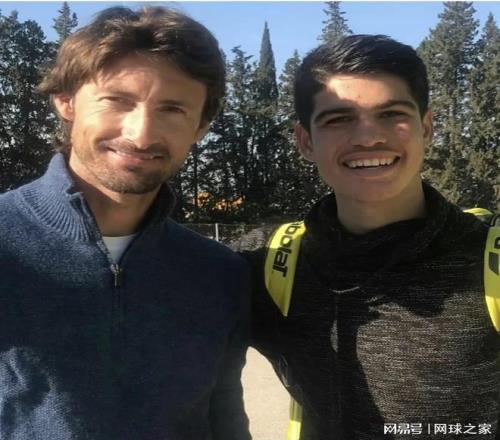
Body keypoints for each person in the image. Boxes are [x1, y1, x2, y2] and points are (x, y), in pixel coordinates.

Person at [0, 6, 251, 440]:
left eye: (172, 109)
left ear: (200, 127)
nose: (141, 134)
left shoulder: (220, 273)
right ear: (66, 101)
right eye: (117, 100)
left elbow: (224, 417)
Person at [238, 35, 499, 439]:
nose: (368, 137)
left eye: (391, 113)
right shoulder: (266, 267)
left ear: (427, 128)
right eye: (338, 119)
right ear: (305, 141)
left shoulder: (488, 259)